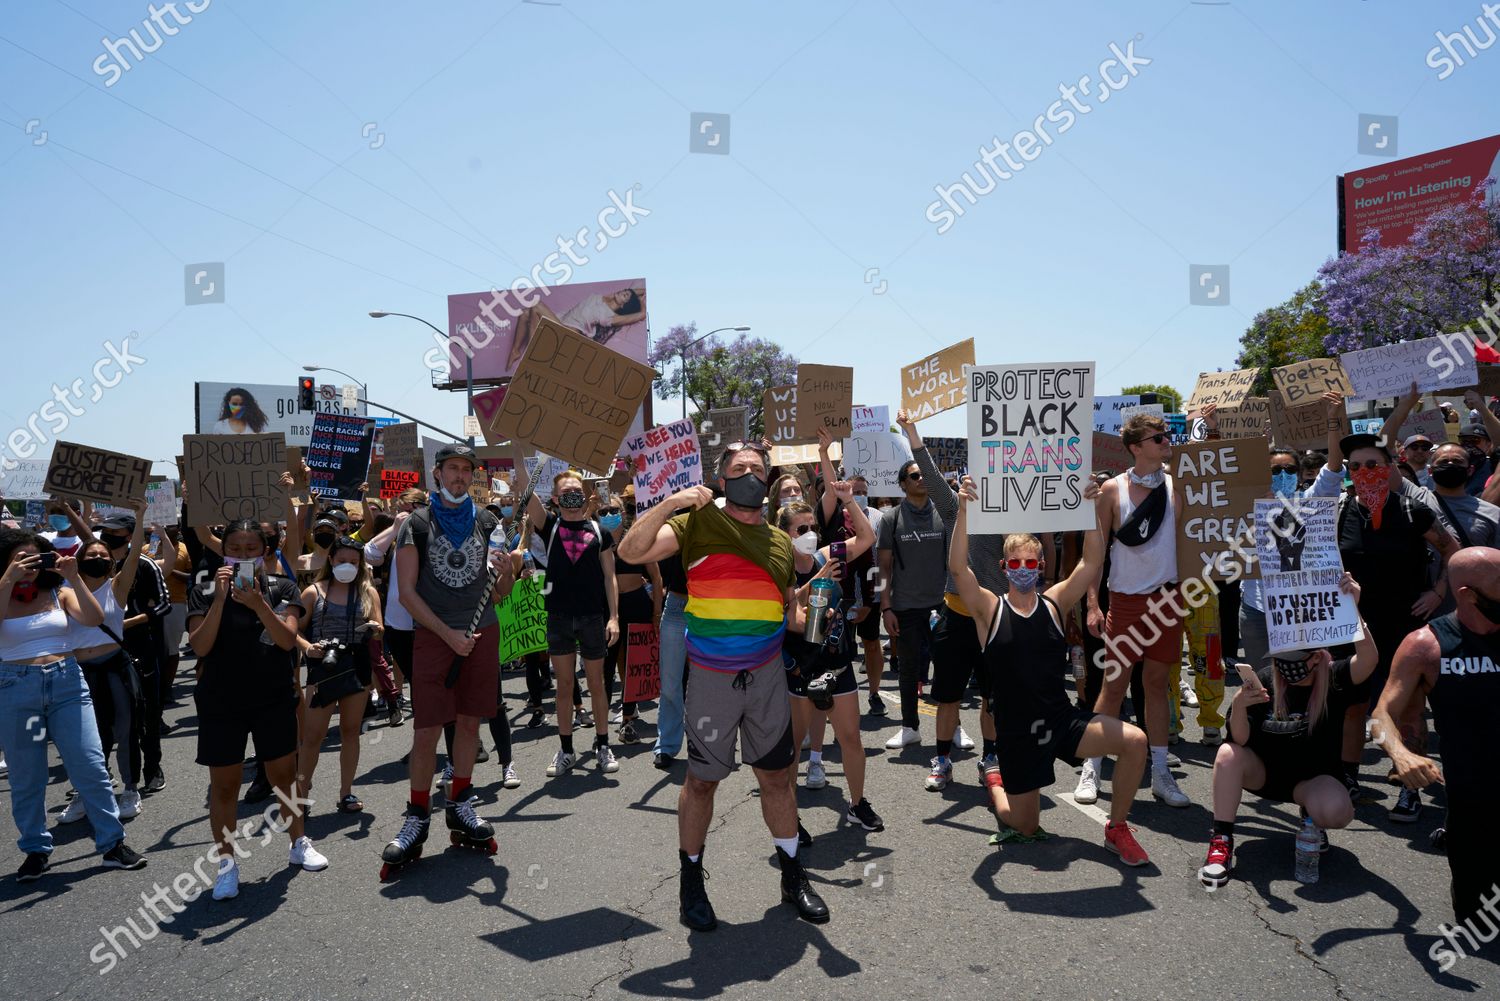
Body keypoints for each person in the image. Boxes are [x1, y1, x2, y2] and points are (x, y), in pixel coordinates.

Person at [618, 440, 829, 930]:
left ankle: (792, 874)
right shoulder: (695, 523)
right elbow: (631, 551)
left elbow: (788, 612)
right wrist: (671, 502)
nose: (750, 475)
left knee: (777, 778)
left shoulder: (779, 543)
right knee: (702, 782)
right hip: (712, 679)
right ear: (721, 478)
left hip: (768, 679)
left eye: (758, 468)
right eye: (739, 468)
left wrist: (821, 616)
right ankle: (691, 879)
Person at [949, 476, 1154, 865]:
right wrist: (963, 510)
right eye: (1015, 563)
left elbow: (1091, 562)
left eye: (1031, 562)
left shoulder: (1054, 602)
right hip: (1016, 732)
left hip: (1059, 720)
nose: (1023, 569)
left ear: (1041, 565)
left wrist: (1093, 509)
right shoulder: (989, 609)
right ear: (1003, 567)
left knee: (1135, 741)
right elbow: (958, 568)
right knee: (1023, 826)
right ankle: (994, 780)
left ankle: (1117, 828)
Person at [382, 444, 512, 877]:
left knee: (471, 723)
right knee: (427, 729)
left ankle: (460, 801)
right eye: (452, 468)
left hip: (481, 631)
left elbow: (500, 593)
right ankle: (417, 813)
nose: (459, 476)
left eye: (465, 470)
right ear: (438, 474)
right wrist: (447, 634)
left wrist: (508, 568)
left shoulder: (488, 521)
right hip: (436, 636)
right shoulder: (416, 524)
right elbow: (406, 593)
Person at [1198, 573, 1375, 889]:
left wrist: (1353, 610)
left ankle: (1311, 821)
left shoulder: (1333, 679)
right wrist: (1239, 705)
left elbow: (1369, 659)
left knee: (1337, 811)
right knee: (1227, 754)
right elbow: (1238, 741)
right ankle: (1221, 839)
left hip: (1308, 784)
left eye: (1297, 661)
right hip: (1264, 776)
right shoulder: (1265, 679)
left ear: (1317, 657)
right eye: (1283, 661)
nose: (1288, 669)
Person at [0, 529, 147, 881]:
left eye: (35, 558)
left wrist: (73, 577)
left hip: (66, 687)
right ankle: (35, 849)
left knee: (89, 763)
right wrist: (9, 578)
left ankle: (112, 844)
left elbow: (94, 618)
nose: (30, 566)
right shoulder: (4, 590)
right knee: (28, 774)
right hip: (19, 693)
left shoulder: (59, 590)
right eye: (21, 558)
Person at [188, 518, 325, 897]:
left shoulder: (283, 587)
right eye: (234, 549)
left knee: (284, 776)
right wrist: (220, 599)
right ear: (223, 551)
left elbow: (285, 640)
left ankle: (299, 842)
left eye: (251, 550)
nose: (242, 556)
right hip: (221, 700)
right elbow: (200, 646)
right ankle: (226, 864)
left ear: (265, 552)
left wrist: (259, 604)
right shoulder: (203, 588)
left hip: (272, 697)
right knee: (225, 785)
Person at [1328, 429, 1459, 817]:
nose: (1364, 472)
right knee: (1352, 706)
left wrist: (1438, 591)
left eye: (1372, 465)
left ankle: (1409, 785)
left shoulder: (1412, 511)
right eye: (1356, 467)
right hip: (1355, 627)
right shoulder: (1339, 512)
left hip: (1405, 624)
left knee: (1409, 708)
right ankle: (1348, 777)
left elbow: (1453, 550)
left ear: (1388, 469)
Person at [1372, 548, 1500, 935]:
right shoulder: (1426, 646)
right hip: (1471, 794)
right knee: (1479, 915)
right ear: (1468, 594)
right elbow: (1379, 717)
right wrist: (1400, 753)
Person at [1083, 412, 1192, 808]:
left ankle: (1160, 772)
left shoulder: (1177, 485)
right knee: (1113, 687)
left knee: (1157, 685)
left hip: (1167, 600)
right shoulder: (1112, 490)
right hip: (1126, 600)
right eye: (1157, 437)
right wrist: (1093, 604)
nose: (1166, 441)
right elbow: (1093, 552)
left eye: (1166, 435)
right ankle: (1092, 768)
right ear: (1135, 447)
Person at [894, 410, 1005, 788]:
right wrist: (912, 430)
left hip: (995, 619)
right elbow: (929, 470)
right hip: (956, 614)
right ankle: (941, 759)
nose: (977, 483)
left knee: (992, 696)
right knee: (947, 696)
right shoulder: (954, 509)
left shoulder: (1015, 513)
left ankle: (991, 757)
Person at [779, 483, 882, 839]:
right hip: (800, 666)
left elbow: (866, 539)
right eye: (800, 530)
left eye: (812, 527)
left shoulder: (826, 555)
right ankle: (789, 816)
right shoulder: (781, 569)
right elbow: (791, 618)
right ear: (786, 535)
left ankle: (856, 804)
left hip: (835, 661)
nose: (809, 535)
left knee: (851, 737)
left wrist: (849, 500)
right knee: (794, 746)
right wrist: (821, 580)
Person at [518, 467, 621, 776]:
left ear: (585, 495)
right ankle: (566, 750)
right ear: (555, 498)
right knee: (564, 686)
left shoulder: (599, 531)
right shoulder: (548, 526)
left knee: (597, 685)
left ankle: (603, 745)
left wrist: (614, 617)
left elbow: (609, 577)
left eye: (577, 490)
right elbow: (525, 486)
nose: (572, 496)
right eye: (566, 492)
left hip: (592, 617)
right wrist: (518, 443)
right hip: (559, 617)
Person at [66, 500, 150, 823]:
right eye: (92, 555)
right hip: (81, 673)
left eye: (104, 555)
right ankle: (85, 793)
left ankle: (130, 788)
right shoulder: (68, 591)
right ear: (80, 561)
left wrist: (140, 518)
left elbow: (136, 550)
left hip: (116, 667)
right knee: (86, 737)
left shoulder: (118, 587)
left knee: (126, 728)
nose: (99, 557)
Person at [295, 538, 383, 814]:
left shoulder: (368, 593)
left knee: (350, 732)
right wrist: (308, 647)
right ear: (331, 560)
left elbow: (381, 628)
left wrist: (374, 628)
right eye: (342, 560)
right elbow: (292, 629)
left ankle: (346, 793)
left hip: (356, 665)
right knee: (313, 736)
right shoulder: (312, 592)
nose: (348, 566)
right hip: (324, 668)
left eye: (354, 562)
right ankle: (301, 793)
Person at [876, 447, 951, 756]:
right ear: (903, 484)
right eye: (914, 475)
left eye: (924, 475)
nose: (921, 479)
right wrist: (885, 606)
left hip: (944, 605)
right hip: (905, 607)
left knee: (948, 670)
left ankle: (954, 727)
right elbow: (883, 568)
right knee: (908, 671)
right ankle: (910, 728)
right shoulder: (891, 519)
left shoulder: (945, 513)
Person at [602, 487, 660, 746]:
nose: (610, 514)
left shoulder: (635, 540)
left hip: (637, 604)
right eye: (604, 511)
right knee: (605, 666)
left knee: (633, 665)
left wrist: (657, 612)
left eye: (615, 510)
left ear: (623, 513)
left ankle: (628, 720)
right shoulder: (595, 540)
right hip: (606, 609)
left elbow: (657, 578)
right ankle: (601, 729)